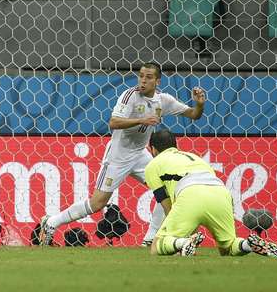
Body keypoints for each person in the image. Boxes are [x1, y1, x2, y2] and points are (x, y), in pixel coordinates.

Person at [39, 62, 207, 246]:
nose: (143, 80)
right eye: (141, 75)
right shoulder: (130, 96)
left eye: (148, 77)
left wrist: (199, 105)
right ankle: (51, 223)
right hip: (118, 156)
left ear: (157, 81)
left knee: (165, 191)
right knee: (97, 204)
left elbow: (193, 114)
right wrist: (142, 120)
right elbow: (113, 122)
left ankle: (150, 239)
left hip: (140, 155)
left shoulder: (163, 100)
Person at [145, 129, 277, 257]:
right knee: (227, 248)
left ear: (153, 149)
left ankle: (182, 243)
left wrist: (182, 237)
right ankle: (248, 244)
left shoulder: (153, 164)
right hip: (221, 193)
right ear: (175, 145)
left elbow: (168, 207)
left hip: (190, 194)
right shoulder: (195, 158)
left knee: (156, 246)